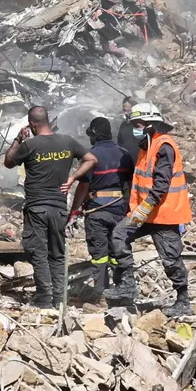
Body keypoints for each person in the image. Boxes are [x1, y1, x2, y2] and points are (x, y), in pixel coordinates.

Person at [3, 106, 97, 309]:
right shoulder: (67, 142)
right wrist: (72, 178)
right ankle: (59, 299)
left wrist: (18, 139)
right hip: (59, 208)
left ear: (32, 124)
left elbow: (8, 162)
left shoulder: (29, 144)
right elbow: (91, 159)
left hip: (37, 207)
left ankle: (44, 299)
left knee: (38, 251)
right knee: (57, 253)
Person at [105, 103, 193, 316]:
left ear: (150, 125)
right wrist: (136, 209)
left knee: (170, 258)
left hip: (163, 214)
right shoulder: (147, 147)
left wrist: (145, 207)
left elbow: (161, 183)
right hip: (145, 213)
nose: (135, 129)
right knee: (118, 235)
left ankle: (183, 300)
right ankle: (128, 284)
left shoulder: (164, 146)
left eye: (138, 124)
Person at [70, 117, 135, 298]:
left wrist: (74, 211)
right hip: (120, 211)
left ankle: (100, 293)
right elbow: (130, 184)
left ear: (94, 134)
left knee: (99, 255)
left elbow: (83, 187)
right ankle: (122, 290)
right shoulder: (124, 154)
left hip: (97, 211)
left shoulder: (91, 156)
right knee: (118, 251)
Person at [117, 96, 143, 161]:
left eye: (128, 110)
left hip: (140, 162)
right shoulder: (123, 125)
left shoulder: (143, 125)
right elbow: (119, 144)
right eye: (124, 110)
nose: (125, 113)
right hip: (126, 163)